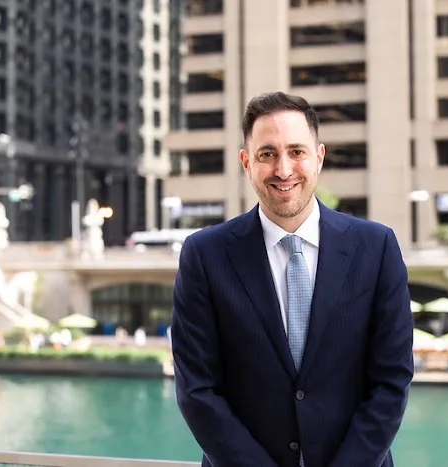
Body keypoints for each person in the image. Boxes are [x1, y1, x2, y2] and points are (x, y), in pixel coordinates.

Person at [171, 91, 414, 467]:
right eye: (267, 154)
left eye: (296, 152)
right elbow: (197, 390)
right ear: (246, 162)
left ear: (319, 156)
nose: (283, 169)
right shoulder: (204, 256)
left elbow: (392, 380)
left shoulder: (377, 247)